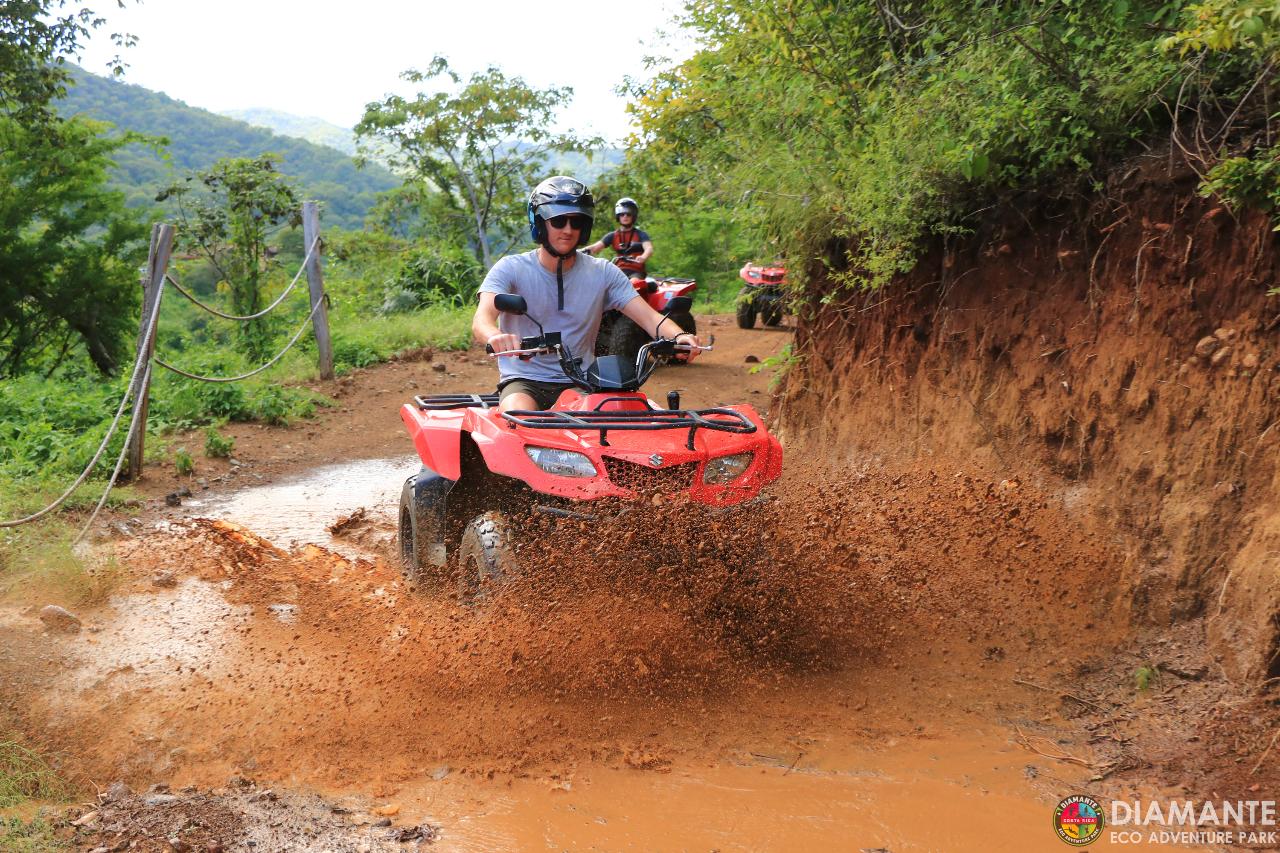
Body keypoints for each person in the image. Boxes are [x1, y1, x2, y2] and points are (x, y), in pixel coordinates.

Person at [473, 177, 699, 412]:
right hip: (524, 381)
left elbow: (649, 317)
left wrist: (680, 336)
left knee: (615, 423)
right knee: (515, 418)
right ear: (539, 223)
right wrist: (494, 336)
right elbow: (482, 319)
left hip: (580, 381)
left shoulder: (602, 272)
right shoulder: (511, 268)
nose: (568, 230)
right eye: (559, 221)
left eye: (577, 222)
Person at [583, 197, 653, 284]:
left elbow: (648, 248)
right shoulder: (612, 235)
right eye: (622, 214)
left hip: (636, 272)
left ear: (633, 216)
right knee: (600, 283)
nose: (625, 216)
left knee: (633, 284)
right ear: (618, 216)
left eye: (628, 214)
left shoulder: (641, 234)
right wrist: (579, 251)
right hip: (618, 271)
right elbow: (595, 247)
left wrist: (643, 257)